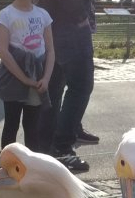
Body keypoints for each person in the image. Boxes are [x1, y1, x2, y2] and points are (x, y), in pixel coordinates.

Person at [37, 0, 97, 173]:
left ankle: (46, 146)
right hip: (70, 24)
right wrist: (81, 15)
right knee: (81, 86)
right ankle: (62, 147)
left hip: (53, 20)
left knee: (54, 86)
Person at [0, 0, 55, 153]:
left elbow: (50, 50)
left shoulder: (43, 14)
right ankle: (7, 163)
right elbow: (3, 51)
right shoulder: (6, 14)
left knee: (32, 125)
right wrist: (25, 79)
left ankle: (32, 163)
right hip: (13, 75)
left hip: (37, 74)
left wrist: (46, 78)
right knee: (11, 123)